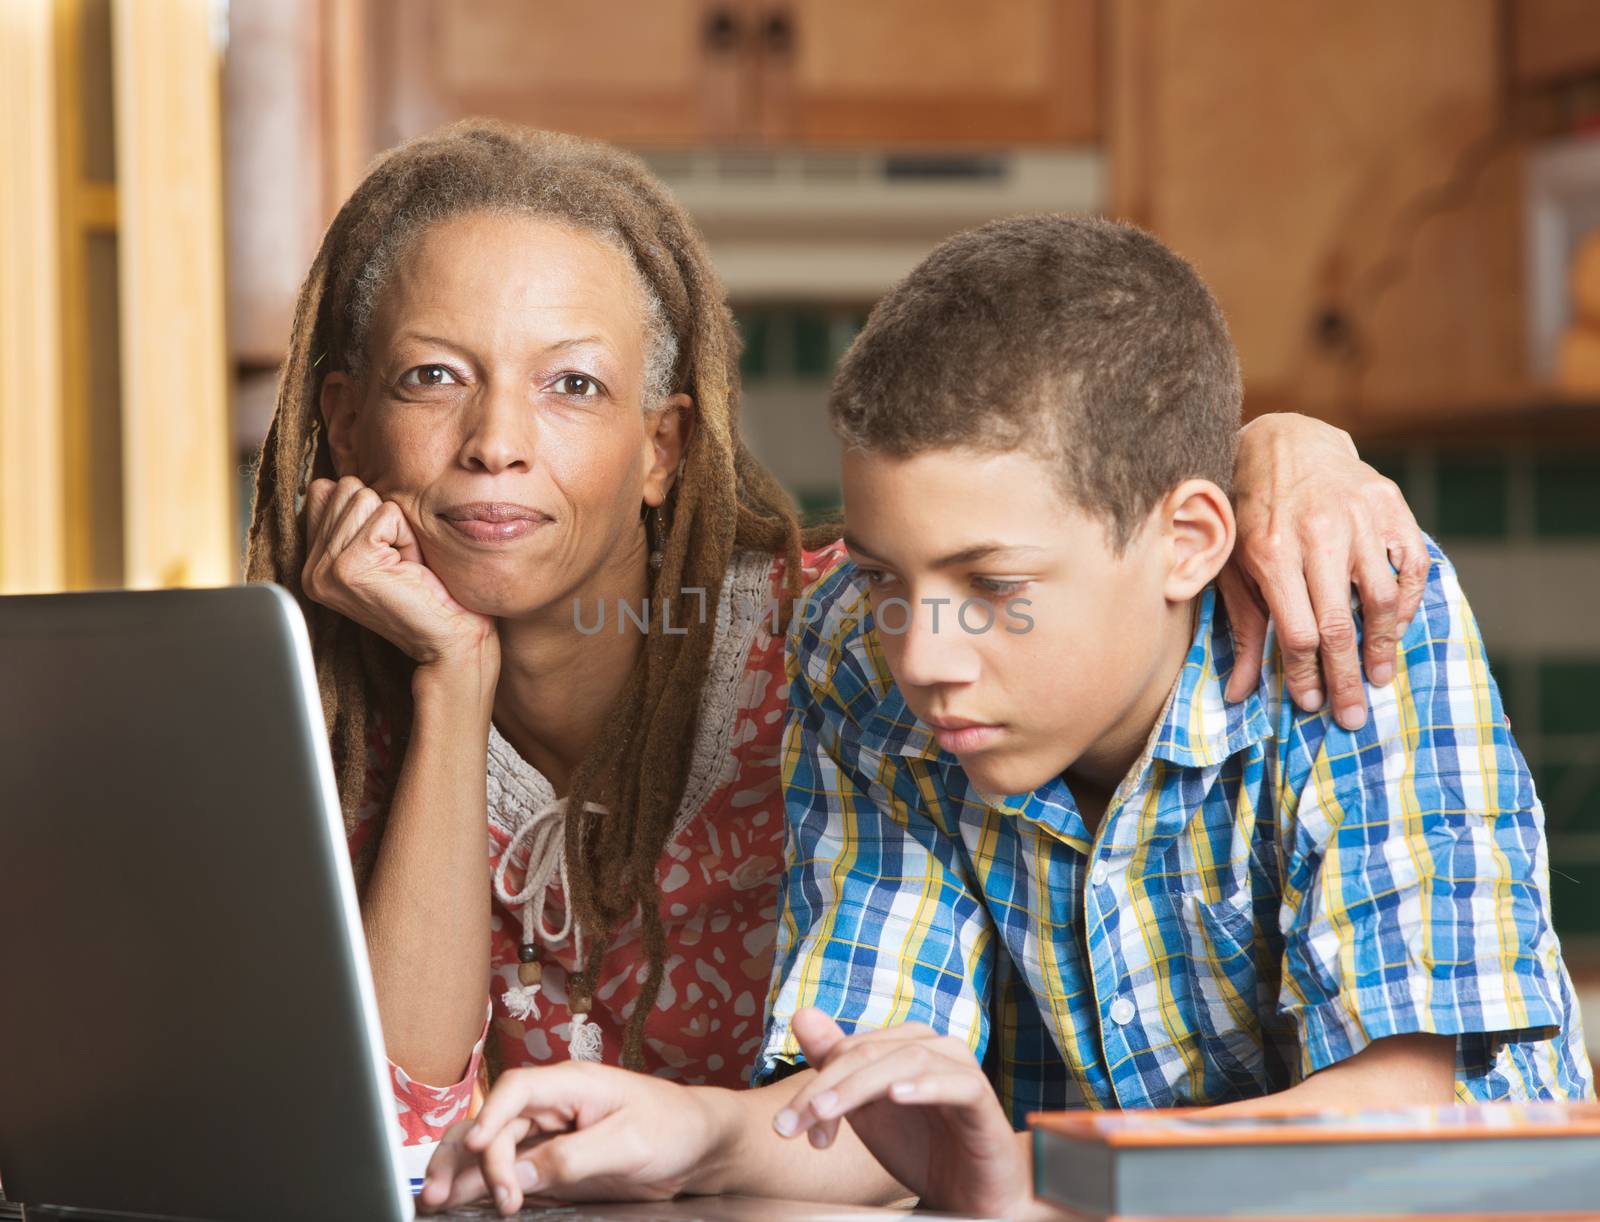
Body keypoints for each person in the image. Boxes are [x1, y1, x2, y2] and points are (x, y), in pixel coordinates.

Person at [241, 122, 1432, 1211]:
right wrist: (456, 675)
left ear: (663, 448)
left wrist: (1287, 444)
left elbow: (1075, 513)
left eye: (573, 385)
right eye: (432, 376)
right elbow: (394, 1139)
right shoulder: (327, 711)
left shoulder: (847, 634)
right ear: (346, 420)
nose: (496, 444)